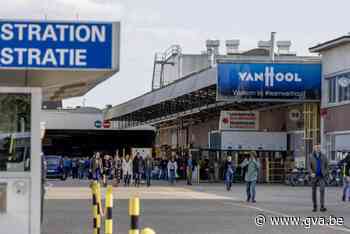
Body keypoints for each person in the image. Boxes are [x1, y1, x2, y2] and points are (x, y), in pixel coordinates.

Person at [307, 144, 329, 212]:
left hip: (322, 176)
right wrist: (311, 173)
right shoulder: (310, 156)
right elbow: (308, 166)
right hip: (314, 176)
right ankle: (315, 206)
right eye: (316, 147)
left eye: (319, 147)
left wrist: (325, 172)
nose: (318, 148)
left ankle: (322, 206)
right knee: (314, 191)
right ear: (314, 148)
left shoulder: (324, 156)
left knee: (322, 190)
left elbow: (327, 166)